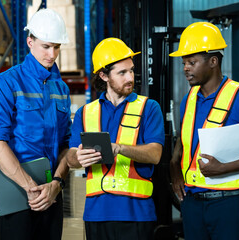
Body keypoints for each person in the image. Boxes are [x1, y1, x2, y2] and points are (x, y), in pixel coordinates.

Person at [169, 22, 239, 240]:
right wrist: (174, 166)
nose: (185, 68)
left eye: (191, 62)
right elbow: (183, 141)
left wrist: (224, 168)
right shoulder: (188, 100)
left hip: (230, 204)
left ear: (213, 61)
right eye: (183, 63)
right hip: (192, 206)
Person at [0, 8, 71, 240]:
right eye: (46, 46)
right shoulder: (6, 83)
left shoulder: (60, 89)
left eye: (57, 47)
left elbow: (66, 144)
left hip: (51, 194)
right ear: (30, 42)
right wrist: (31, 187)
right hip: (16, 192)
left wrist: (56, 184)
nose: (52, 54)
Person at [66, 37, 165, 240]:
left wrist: (119, 148)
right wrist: (78, 158)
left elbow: (155, 154)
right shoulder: (86, 112)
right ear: (103, 75)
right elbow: (71, 156)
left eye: (131, 70)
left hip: (137, 212)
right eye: (122, 72)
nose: (130, 77)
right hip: (96, 214)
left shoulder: (149, 108)